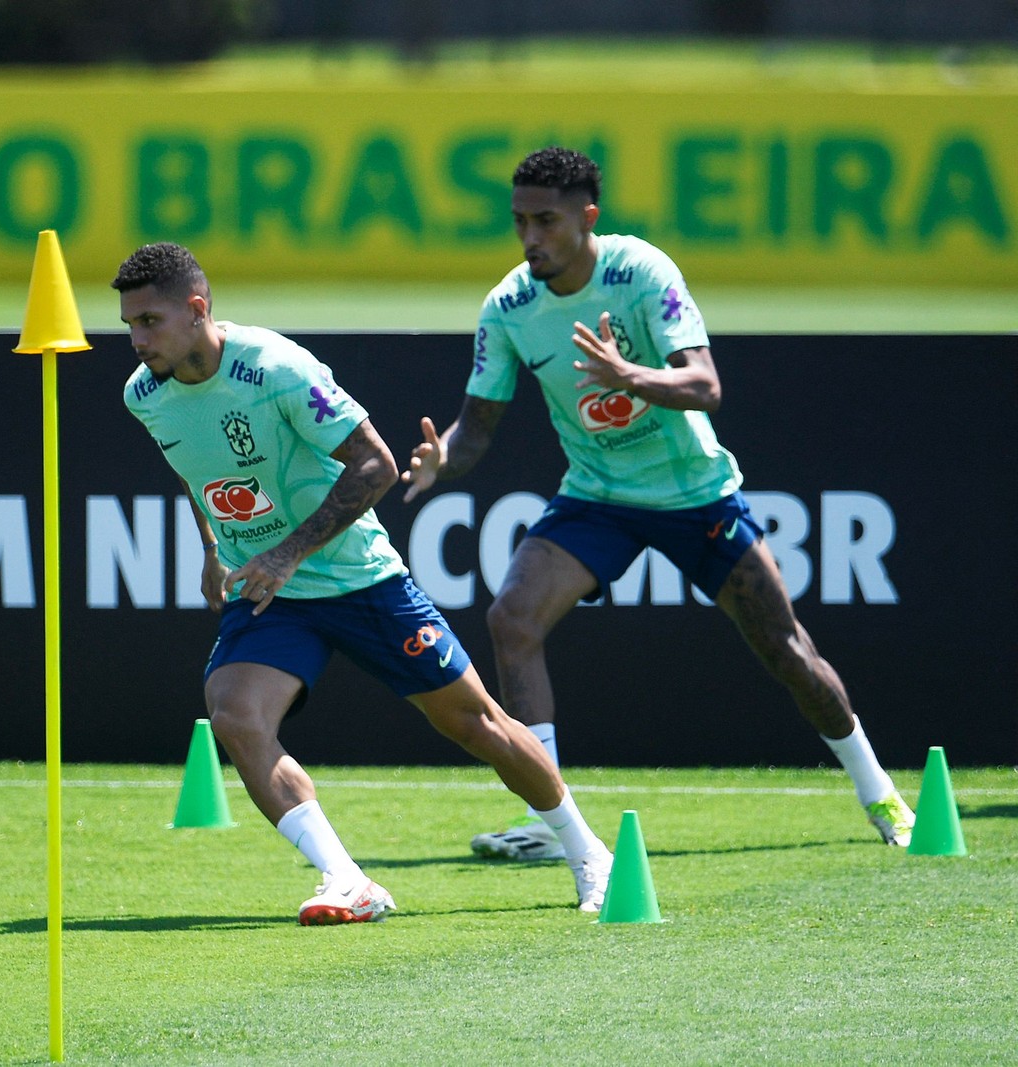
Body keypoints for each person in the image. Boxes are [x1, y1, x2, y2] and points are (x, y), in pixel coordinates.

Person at [401, 145, 917, 861]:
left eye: (546, 221)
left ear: (588, 217)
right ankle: (555, 824)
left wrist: (626, 374)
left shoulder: (641, 273)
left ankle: (879, 790)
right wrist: (442, 459)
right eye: (519, 222)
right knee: (510, 617)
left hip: (694, 492)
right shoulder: (508, 308)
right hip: (598, 497)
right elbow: (476, 428)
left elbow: (705, 387)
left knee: (788, 650)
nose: (529, 240)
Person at [113, 241, 614, 923]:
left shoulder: (276, 368)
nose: (137, 340)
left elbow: (377, 466)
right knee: (233, 713)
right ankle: (346, 878)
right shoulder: (144, 395)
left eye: (150, 322)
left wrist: (289, 551)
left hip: (357, 577)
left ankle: (589, 853)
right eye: (129, 325)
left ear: (197, 310)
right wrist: (210, 545)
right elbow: (186, 459)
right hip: (271, 591)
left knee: (476, 722)